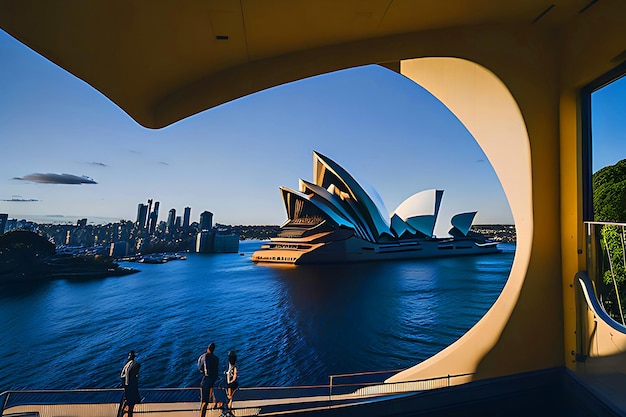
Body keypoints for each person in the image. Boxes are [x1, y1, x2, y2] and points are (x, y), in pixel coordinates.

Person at [197, 342, 219, 416]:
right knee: (213, 398)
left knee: (204, 401)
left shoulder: (203, 357)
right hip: (213, 379)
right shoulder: (216, 359)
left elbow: (200, 368)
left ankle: (202, 415)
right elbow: (216, 370)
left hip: (206, 380)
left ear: (208, 348)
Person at [117, 350, 141, 417]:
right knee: (131, 403)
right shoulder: (136, 364)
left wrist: (126, 383)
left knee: (127, 401)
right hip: (131, 386)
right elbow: (135, 375)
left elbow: (123, 375)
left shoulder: (127, 365)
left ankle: (123, 413)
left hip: (127, 385)